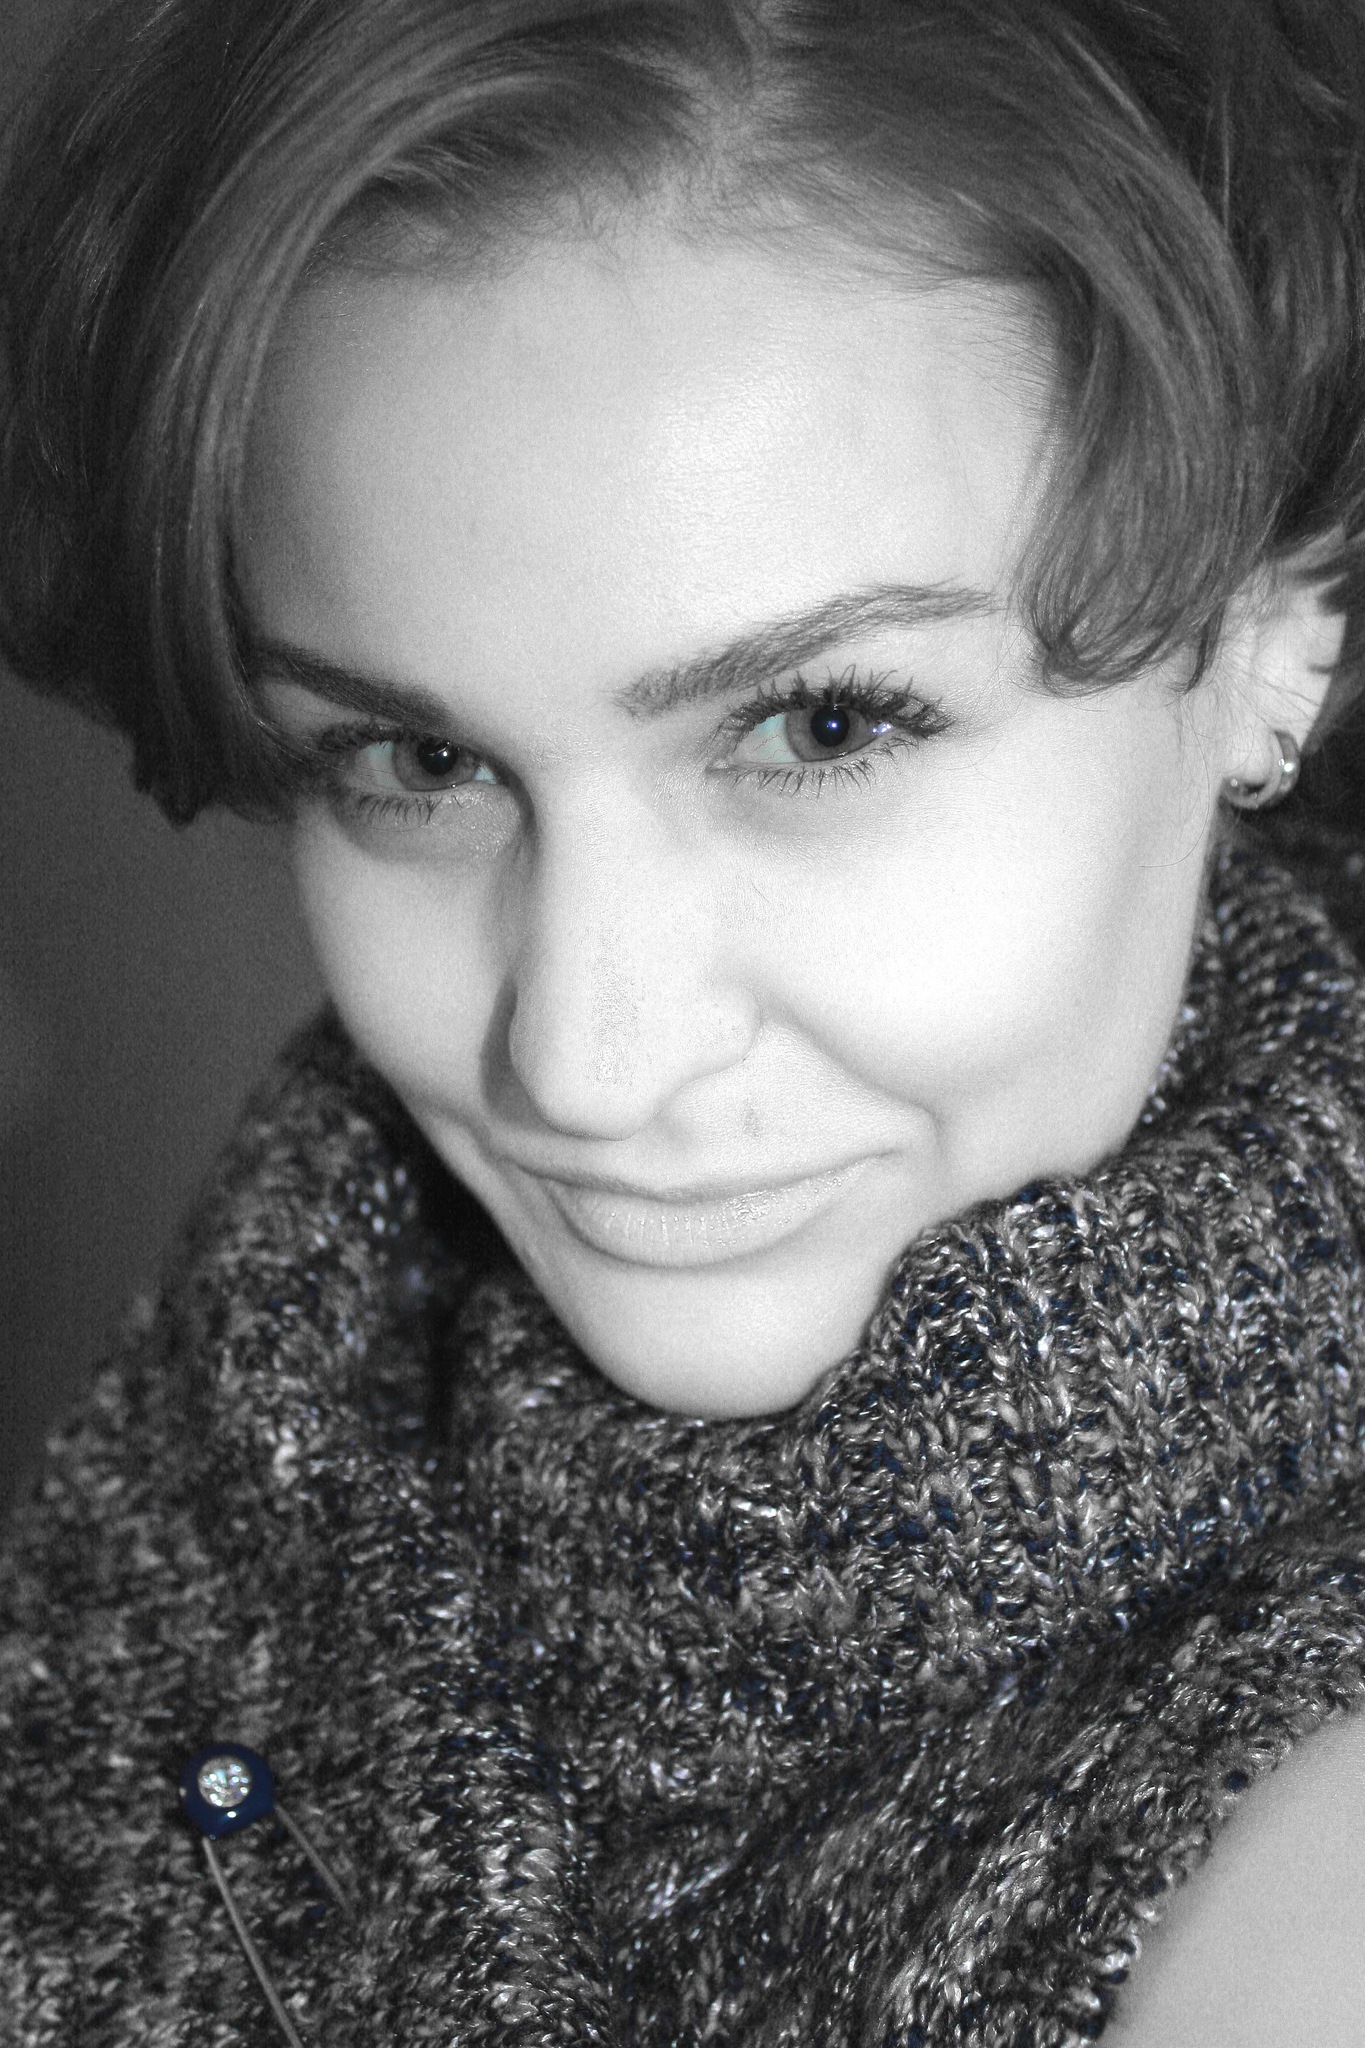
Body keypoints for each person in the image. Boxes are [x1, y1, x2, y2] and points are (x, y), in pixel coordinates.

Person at [3, 0, 1365, 2038]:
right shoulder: (268, 1392)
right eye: (416, 762)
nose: (581, 1056)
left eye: (818, 728)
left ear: (1272, 636)